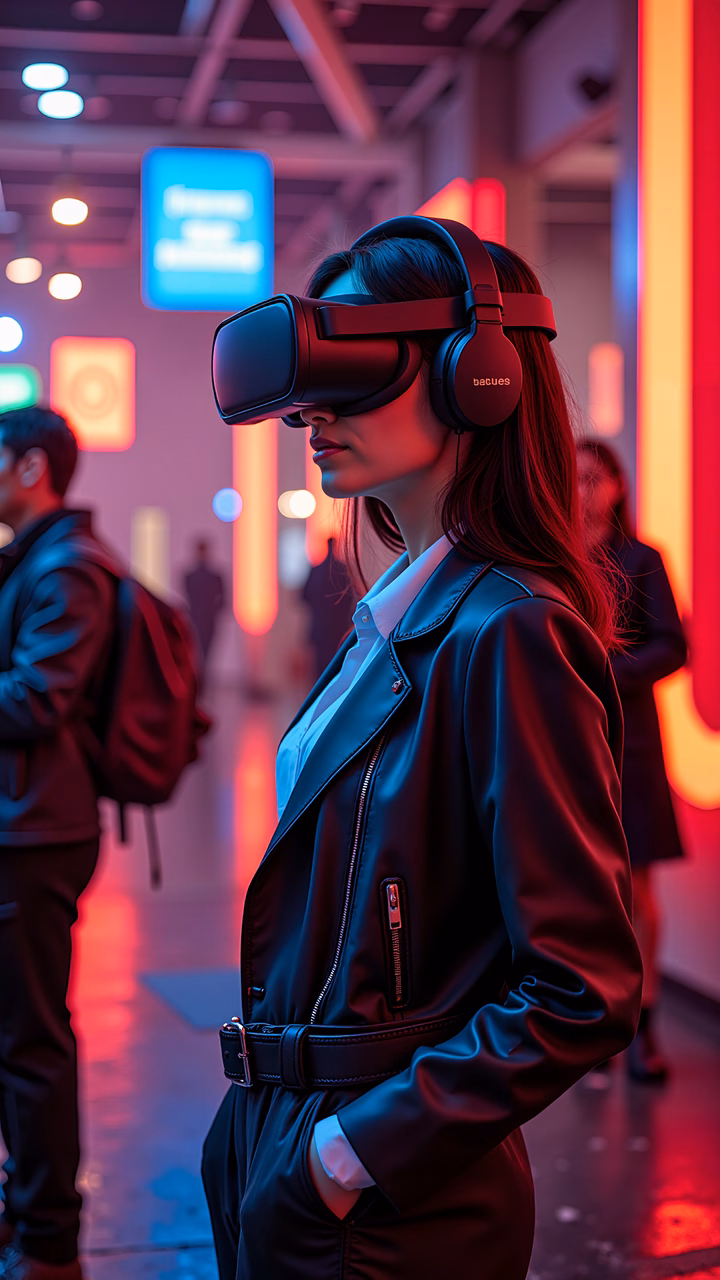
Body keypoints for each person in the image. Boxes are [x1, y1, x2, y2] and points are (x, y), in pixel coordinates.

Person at [202, 222, 643, 1280]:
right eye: (311, 385)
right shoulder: (391, 622)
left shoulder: (511, 631)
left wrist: (344, 1159)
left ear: (476, 375)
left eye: (352, 372)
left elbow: (583, 986)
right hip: (284, 1138)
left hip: (385, 1203)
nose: (312, 414)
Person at [0, 407, 117, 1280]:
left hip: (39, 833)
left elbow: (40, 697)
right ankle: (27, 1207)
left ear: (31, 467)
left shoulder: (70, 567)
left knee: (32, 1039)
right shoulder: (37, 559)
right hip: (23, 823)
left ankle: (48, 1238)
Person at [577, 438, 687, 1083]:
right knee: (584, 892)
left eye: (595, 478)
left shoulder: (641, 560)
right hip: (570, 744)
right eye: (574, 478)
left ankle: (645, 1030)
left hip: (632, 746)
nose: (584, 491)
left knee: (639, 890)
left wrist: (606, 676)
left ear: (618, 486)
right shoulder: (554, 561)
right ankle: (596, 1028)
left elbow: (673, 646)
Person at [301, 537, 355, 682]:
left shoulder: (317, 570)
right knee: (336, 667)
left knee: (320, 670)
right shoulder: (342, 570)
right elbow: (350, 598)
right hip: (338, 628)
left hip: (322, 629)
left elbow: (304, 597)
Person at [183, 538, 225, 683]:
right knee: (198, 651)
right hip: (198, 618)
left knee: (205, 651)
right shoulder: (191, 576)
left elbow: (222, 600)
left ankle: (201, 678)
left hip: (204, 618)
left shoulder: (209, 577)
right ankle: (198, 678)